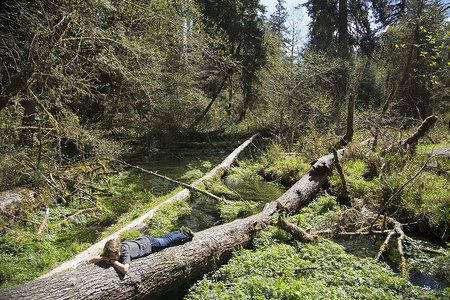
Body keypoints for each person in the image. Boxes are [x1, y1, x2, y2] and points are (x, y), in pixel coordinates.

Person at [91, 227, 194, 274]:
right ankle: (178, 231)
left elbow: (125, 269)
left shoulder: (124, 250)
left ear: (119, 249)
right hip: (143, 239)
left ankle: (185, 234)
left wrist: (114, 261)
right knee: (163, 238)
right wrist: (103, 257)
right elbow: (93, 259)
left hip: (149, 245)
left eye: (117, 254)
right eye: (113, 256)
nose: (117, 257)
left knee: (167, 241)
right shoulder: (110, 251)